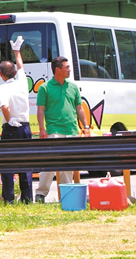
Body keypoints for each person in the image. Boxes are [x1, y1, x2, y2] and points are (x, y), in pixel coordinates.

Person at [35, 56, 90, 203]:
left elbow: (79, 108)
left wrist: (85, 126)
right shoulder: (45, 88)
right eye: (67, 67)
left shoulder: (72, 87)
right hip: (53, 130)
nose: (69, 70)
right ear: (57, 70)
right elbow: (40, 110)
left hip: (71, 130)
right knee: (50, 163)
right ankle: (40, 194)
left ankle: (66, 196)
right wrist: (42, 128)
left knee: (68, 165)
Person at [0, 36, 33, 204]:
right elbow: (21, 66)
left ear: (1, 74)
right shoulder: (22, 83)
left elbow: (4, 106)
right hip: (26, 128)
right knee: (26, 163)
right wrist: (17, 51)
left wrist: (9, 119)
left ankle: (9, 199)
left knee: (8, 164)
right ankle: (27, 199)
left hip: (11, 129)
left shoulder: (3, 88)